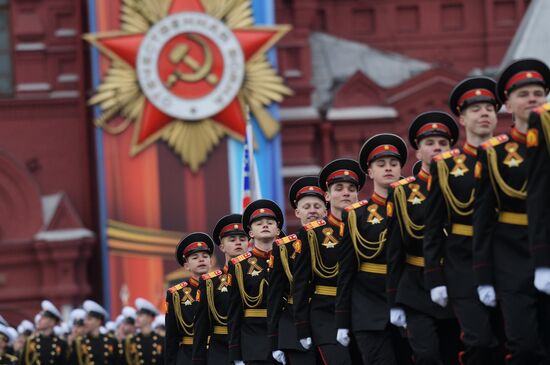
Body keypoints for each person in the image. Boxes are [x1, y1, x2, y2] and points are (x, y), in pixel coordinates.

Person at [473, 58, 550, 364]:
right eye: (523, 93)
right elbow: (482, 217)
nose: (532, 98)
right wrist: (483, 276)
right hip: (511, 253)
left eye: (537, 92)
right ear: (506, 103)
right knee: (523, 345)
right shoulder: (494, 153)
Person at [423, 77, 503, 365]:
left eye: (489, 108)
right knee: (479, 342)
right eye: (476, 109)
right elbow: (432, 228)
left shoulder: (512, 156)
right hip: (462, 261)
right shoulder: (445, 166)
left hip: (507, 254)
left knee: (517, 341)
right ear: (462, 118)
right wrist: (435, 278)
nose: (484, 114)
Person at [386, 111, 461, 365]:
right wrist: (394, 299)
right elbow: (394, 251)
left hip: (456, 279)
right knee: (426, 355)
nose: (436, 148)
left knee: (457, 352)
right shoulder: (403, 193)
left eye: (443, 143)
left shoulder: (463, 183)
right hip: (416, 286)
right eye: (429, 143)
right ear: (418, 152)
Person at [335, 134, 409, 365]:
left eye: (393, 164)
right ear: (370, 172)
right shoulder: (356, 215)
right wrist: (342, 321)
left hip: (410, 297)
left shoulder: (414, 206)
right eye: (381, 164)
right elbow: (346, 271)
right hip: (368, 307)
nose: (388, 168)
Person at [293, 158, 365, 365]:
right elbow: (300, 285)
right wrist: (302, 326)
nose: (346, 193)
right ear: (327, 195)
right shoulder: (311, 234)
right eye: (339, 188)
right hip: (326, 312)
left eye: (351, 189)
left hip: (362, 307)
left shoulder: (368, 227)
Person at [268, 176, 325, 365]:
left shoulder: (340, 237)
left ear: (326, 209)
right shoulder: (284, 248)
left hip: (329, 316)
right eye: (306, 207)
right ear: (297, 212)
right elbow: (275, 296)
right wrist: (274, 340)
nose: (312, 211)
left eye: (317, 206)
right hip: (293, 324)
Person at [228, 199, 283, 365]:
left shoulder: (289, 259)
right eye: (259, 223)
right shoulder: (239, 265)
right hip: (254, 339)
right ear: (250, 233)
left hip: (285, 335)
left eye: (270, 223)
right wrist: (235, 353)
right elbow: (234, 311)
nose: (265, 225)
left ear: (278, 230)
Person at [192, 214, 248, 364]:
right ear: (222, 246)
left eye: (242, 239)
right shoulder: (210, 283)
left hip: (255, 346)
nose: (238, 243)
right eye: (232, 240)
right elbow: (201, 327)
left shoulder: (262, 275)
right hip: (221, 350)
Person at [165, 232, 213, 365]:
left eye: (205, 256)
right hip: (188, 355)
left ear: (211, 261)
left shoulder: (221, 287)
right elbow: (171, 337)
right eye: (195, 258)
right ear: (186, 265)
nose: (201, 260)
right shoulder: (176, 294)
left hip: (216, 352)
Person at [71, 300, 122, 365]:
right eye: (85, 319)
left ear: (98, 321)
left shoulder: (112, 341)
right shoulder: (79, 343)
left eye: (89, 319)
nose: (85, 322)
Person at [20, 300, 69, 365]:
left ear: (52, 322)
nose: (40, 320)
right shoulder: (31, 341)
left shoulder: (61, 344)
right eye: (41, 317)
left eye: (44, 317)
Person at [124, 297, 164, 365]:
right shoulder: (131, 340)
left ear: (150, 318)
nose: (137, 318)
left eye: (141, 315)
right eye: (137, 315)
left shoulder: (161, 341)